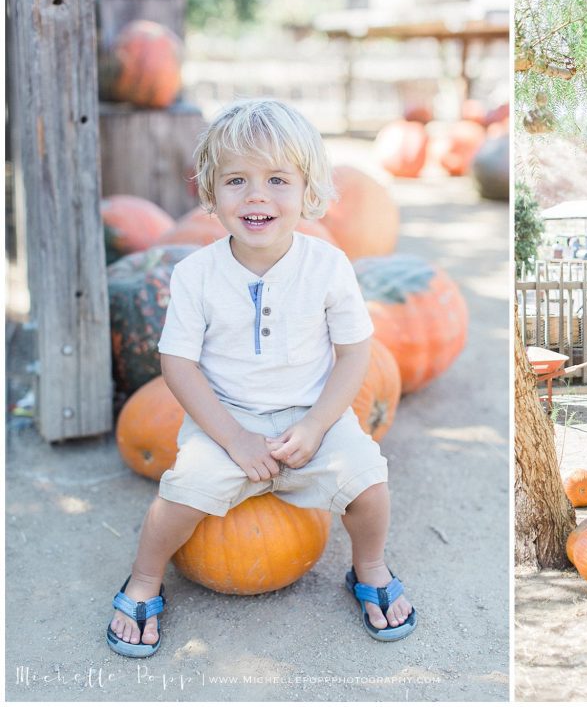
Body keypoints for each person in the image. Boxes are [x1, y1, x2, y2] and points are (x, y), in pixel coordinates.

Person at [106, 99, 415, 657]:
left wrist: (320, 425)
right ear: (210, 194)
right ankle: (144, 580)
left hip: (313, 415)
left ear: (308, 190)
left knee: (369, 485)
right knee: (177, 498)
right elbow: (178, 363)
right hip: (225, 419)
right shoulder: (196, 273)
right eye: (236, 180)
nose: (256, 195)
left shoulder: (328, 266)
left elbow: (354, 354)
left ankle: (368, 568)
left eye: (277, 179)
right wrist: (233, 438)